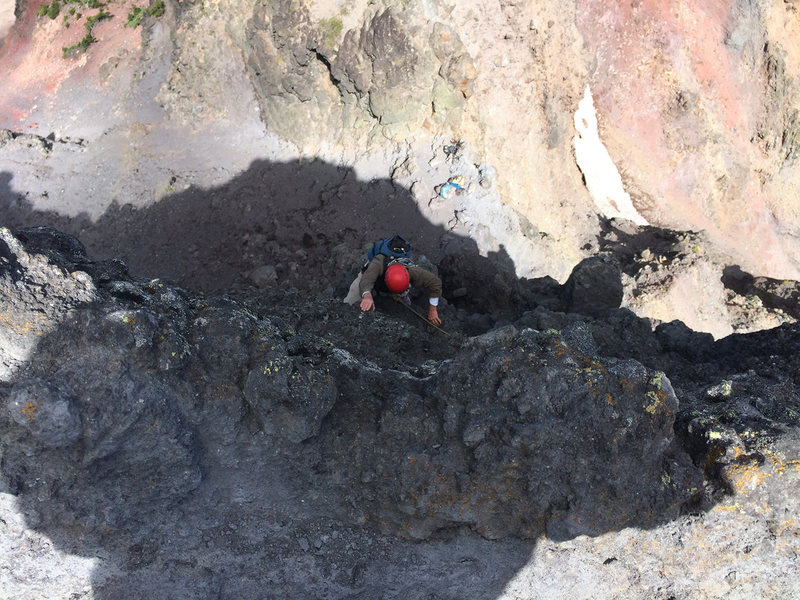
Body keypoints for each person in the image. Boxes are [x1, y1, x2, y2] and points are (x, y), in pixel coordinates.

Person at [345, 236, 443, 326]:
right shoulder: (378, 263)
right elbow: (366, 279)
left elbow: (435, 282)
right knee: (352, 298)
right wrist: (367, 295)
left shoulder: (413, 271)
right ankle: (347, 308)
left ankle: (403, 295)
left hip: (398, 281)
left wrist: (433, 309)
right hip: (372, 274)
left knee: (401, 292)